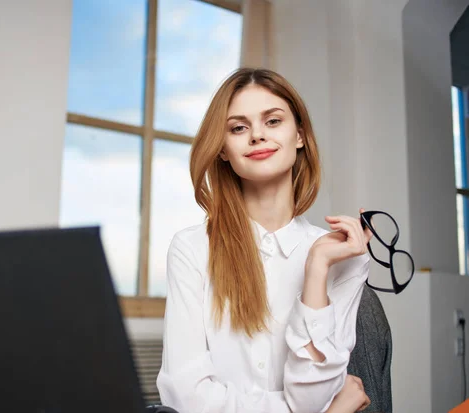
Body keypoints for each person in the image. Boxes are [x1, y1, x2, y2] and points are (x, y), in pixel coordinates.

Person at [156, 68, 373, 413]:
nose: (257, 135)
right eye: (238, 128)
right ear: (223, 149)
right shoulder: (192, 248)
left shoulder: (342, 257)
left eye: (273, 121)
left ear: (300, 136)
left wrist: (316, 268)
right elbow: (185, 398)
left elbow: (311, 397)